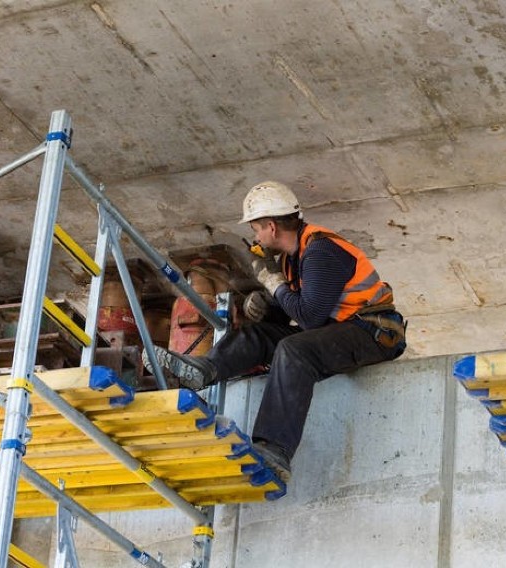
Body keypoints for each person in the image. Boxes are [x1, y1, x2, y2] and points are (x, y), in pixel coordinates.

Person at [144, 181, 407, 482]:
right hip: (340, 330)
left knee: (294, 350)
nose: (255, 236)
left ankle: (275, 449)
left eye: (256, 229)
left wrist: (274, 284)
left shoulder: (320, 251)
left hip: (372, 333)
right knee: (260, 335)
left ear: (271, 226)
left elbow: (309, 319)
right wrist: (266, 306)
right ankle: (204, 369)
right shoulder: (292, 259)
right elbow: (294, 312)